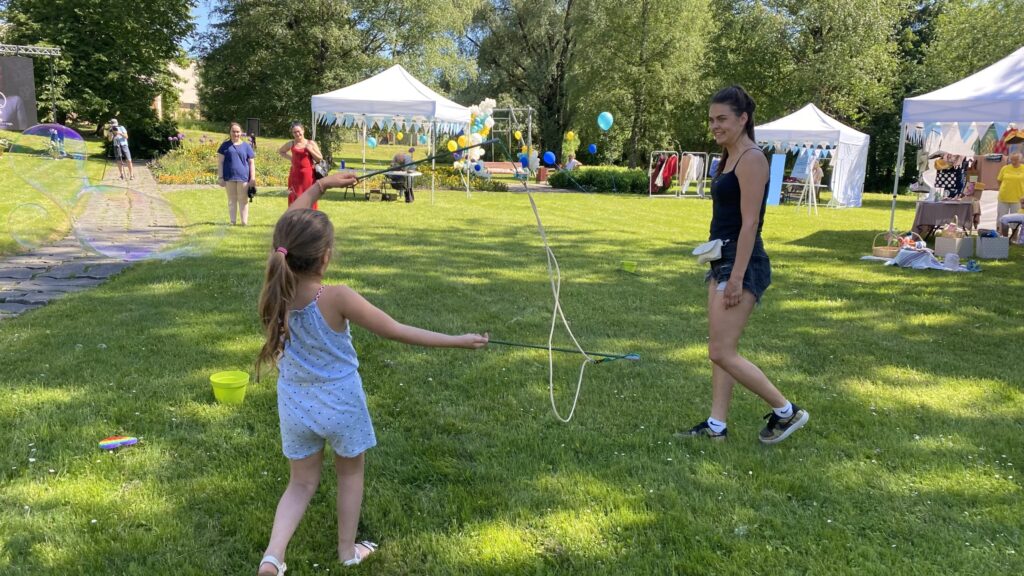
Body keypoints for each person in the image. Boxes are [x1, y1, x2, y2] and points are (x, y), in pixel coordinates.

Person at [254, 171, 489, 575]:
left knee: (301, 484)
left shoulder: (277, 284)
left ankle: (273, 558)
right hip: (342, 403)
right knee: (350, 473)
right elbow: (397, 331)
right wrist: (457, 340)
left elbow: (287, 227)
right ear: (326, 257)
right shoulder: (337, 297)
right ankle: (347, 552)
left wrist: (321, 186)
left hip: (295, 403)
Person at [681, 85, 809, 444]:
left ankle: (787, 412)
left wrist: (737, 277)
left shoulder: (752, 158)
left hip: (743, 262)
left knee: (720, 351)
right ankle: (716, 426)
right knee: (722, 350)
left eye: (722, 119)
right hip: (721, 257)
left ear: (743, 119)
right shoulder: (727, 156)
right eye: (711, 119)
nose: (715, 126)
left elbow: (751, 222)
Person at [217, 122, 256, 225]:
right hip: (229, 177)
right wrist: (220, 177)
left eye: (238, 131)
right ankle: (232, 222)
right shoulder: (224, 146)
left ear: (241, 132)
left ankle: (244, 222)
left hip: (243, 177)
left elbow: (251, 163)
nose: (236, 134)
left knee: (243, 200)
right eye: (233, 131)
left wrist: (253, 178)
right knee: (232, 199)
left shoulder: (246, 146)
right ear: (230, 132)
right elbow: (220, 163)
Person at [278, 121, 323, 210]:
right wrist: (291, 159)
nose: (297, 134)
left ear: (303, 130)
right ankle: (295, 220)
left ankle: (310, 219)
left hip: (308, 176)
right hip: (295, 175)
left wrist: (311, 150)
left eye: (299, 131)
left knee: (309, 197)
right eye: (294, 132)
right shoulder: (291, 143)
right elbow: (281, 151)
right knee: (295, 197)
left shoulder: (311, 143)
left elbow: (319, 159)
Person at [996, 152, 1023, 236]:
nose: (1014, 162)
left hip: (1018, 198)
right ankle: (1001, 235)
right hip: (1003, 197)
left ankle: (1014, 237)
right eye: (1012, 160)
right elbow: (999, 180)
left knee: (1016, 219)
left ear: (1021, 160)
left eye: (1016, 160)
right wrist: (1002, 189)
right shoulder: (1005, 168)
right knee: (1001, 217)